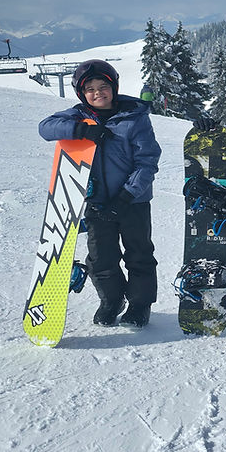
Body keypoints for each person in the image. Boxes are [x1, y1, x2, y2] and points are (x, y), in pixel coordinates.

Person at [38, 59, 161, 328]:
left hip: (133, 202)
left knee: (138, 254)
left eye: (103, 86)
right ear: (82, 94)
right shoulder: (79, 115)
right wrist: (80, 129)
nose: (98, 93)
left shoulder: (134, 117)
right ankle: (111, 301)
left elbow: (148, 161)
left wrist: (127, 196)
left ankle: (139, 305)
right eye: (90, 89)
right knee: (100, 258)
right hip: (96, 202)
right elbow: (45, 127)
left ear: (114, 87)